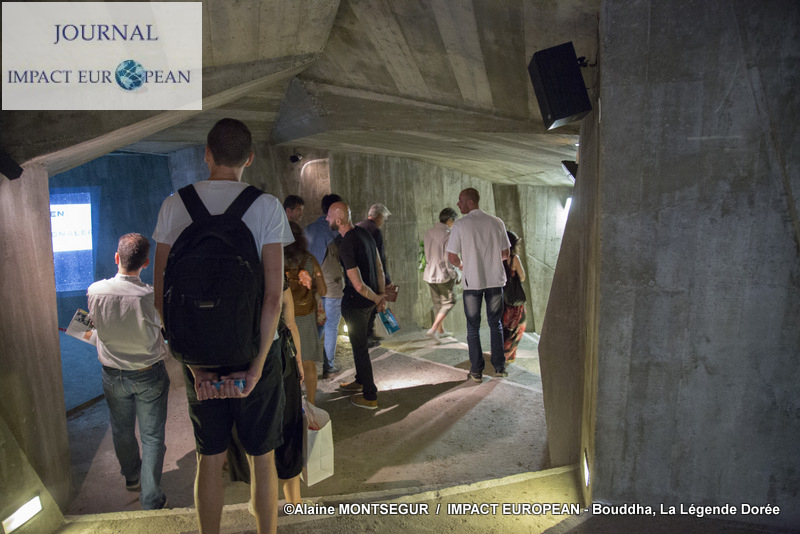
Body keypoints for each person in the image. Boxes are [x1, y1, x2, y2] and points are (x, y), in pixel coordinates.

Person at [153, 118, 292, 534]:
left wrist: (194, 366)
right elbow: (273, 297)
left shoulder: (174, 205)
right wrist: (256, 368)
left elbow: (161, 297)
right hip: (253, 348)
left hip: (198, 350)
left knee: (209, 459)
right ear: (249, 158)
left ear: (207, 155)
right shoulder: (266, 207)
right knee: (262, 459)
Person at [87, 233, 169, 511]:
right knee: (152, 436)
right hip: (148, 373)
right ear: (146, 262)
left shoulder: (95, 291)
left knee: (122, 429)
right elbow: (164, 329)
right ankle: (151, 499)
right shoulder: (151, 296)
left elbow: (94, 327)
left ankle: (133, 477)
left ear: (116, 257)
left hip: (112, 374)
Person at [446, 188, 511, 381]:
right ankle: (499, 367)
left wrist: (464, 265)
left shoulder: (460, 225)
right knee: (495, 324)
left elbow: (452, 257)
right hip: (495, 280)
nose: (458, 204)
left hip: (472, 282)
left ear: (470, 202)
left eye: (460, 200)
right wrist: (490, 261)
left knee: (473, 327)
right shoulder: (497, 222)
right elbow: (506, 254)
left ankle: (476, 370)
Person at [327, 201, 386, 409]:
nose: (326, 219)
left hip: (357, 304)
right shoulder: (365, 233)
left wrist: (377, 298)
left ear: (339, 220)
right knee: (360, 345)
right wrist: (380, 295)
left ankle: (370, 396)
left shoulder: (346, 244)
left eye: (329, 216)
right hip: (369, 303)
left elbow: (358, 285)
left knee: (360, 349)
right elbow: (379, 267)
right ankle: (360, 381)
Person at [284, 221, 326, 405]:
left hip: (284, 318)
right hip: (306, 317)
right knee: (308, 363)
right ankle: (311, 404)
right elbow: (323, 290)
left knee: (286, 363)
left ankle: (289, 405)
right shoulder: (309, 259)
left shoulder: (276, 260)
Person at [305, 193, 343, 376]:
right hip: (331, 286)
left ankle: (306, 362)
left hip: (310, 287)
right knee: (331, 326)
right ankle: (329, 366)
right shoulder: (335, 232)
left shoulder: (307, 229)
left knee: (317, 325)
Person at [356, 203, 393, 348]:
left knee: (364, 305)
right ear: (379, 216)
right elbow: (380, 258)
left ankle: (368, 333)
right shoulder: (375, 231)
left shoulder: (358, 226)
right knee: (372, 303)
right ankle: (367, 336)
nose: (383, 222)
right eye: (383, 219)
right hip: (371, 273)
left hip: (357, 272)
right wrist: (386, 280)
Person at [423, 208, 459, 343]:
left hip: (429, 273)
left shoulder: (429, 232)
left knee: (438, 302)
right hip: (443, 274)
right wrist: (454, 273)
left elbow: (425, 253)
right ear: (450, 220)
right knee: (450, 301)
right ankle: (433, 329)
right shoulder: (448, 234)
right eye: (454, 221)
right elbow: (448, 258)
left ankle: (441, 330)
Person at [502, 231, 527, 363]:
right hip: (514, 300)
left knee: (503, 327)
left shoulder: (496, 257)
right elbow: (522, 277)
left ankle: (499, 353)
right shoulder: (514, 258)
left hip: (501, 298)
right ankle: (507, 355)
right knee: (517, 327)